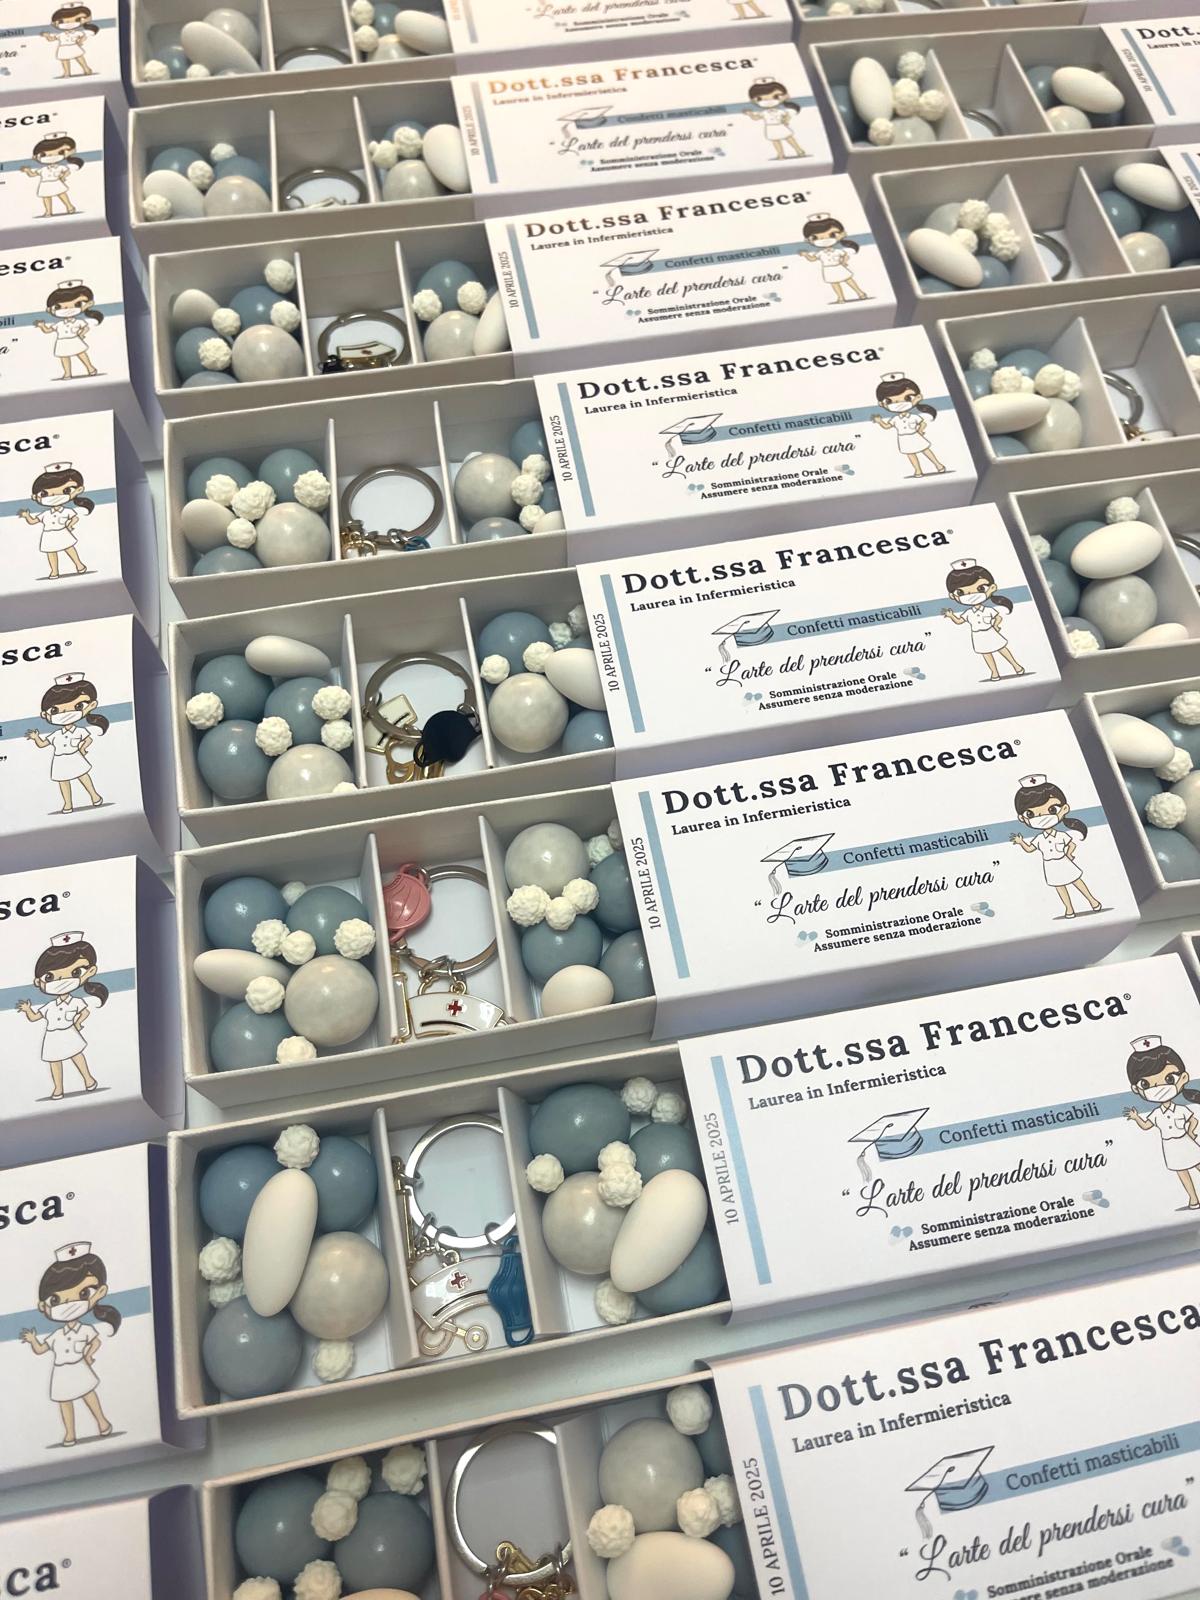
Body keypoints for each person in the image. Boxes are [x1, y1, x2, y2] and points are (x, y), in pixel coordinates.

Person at [20, 1242, 120, 1447]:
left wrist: (89, 1355)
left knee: (88, 1394)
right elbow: (41, 1350)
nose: (69, 1305)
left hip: (78, 1367)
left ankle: (102, 1422)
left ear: (100, 1292)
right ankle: (70, 1434)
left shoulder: (84, 1330)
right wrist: (32, 1340)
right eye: (55, 1300)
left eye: (83, 1293)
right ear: (43, 1306)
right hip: (61, 1372)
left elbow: (96, 1341)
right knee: (64, 1401)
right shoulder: (56, 1335)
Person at [17, 930, 107, 1099]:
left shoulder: (75, 1002)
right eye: (50, 976)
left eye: (75, 972)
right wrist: (28, 1010)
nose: (62, 981)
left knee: (76, 1055)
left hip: (68, 1032)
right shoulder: (50, 1006)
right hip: (52, 1036)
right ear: (38, 981)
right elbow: (35, 1018)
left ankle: (88, 1079)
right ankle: (58, 1088)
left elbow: (85, 1012)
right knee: (54, 1061)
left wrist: (78, 1023)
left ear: (90, 971)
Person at [1009, 772, 1102, 918]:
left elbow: (1071, 845)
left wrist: (1069, 854)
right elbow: (1030, 849)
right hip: (1050, 865)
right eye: (1031, 814)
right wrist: (1021, 842)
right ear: (1022, 818)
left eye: (1052, 810)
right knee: (1059, 886)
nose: (1042, 817)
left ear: (1064, 809)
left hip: (1063, 861)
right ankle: (1069, 908)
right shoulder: (1039, 839)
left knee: (1077, 881)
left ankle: (1092, 900)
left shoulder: (1061, 835)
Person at [1124, 1034, 1200, 1210]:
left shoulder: (1180, 1109)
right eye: (1146, 1084)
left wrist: (1191, 1131)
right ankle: (1193, 1199)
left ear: (1183, 1078)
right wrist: (1136, 1118)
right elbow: (1146, 1126)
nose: (1159, 1088)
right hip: (1170, 1146)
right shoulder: (1156, 1113)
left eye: (1169, 1079)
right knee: (1181, 1172)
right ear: (1136, 1088)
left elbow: (1193, 1120)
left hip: (1185, 1141)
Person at [24, 670, 108, 813]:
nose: (66, 713)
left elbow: (88, 739)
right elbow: (43, 744)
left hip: (75, 756)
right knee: (63, 781)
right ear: (44, 714)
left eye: (78, 706)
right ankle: (68, 804)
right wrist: (36, 737)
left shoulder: (79, 731)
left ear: (92, 705)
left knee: (83, 776)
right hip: (59, 760)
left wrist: (82, 749)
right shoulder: (56, 734)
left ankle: (94, 796)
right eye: (55, 710)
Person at [940, 558, 1025, 680]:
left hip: (990, 632)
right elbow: (959, 621)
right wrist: (951, 616)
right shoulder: (968, 613)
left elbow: (998, 617)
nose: (972, 595)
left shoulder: (988, 610)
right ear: (953, 596)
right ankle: (994, 672)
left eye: (980, 589)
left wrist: (996, 625)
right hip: (978, 635)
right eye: (961, 592)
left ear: (992, 588)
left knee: (1002, 648)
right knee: (986, 653)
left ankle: (1016, 665)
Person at [19, 461, 94, 578]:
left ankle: (79, 565)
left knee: (69, 548)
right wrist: (27, 516)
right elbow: (33, 521)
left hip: (62, 532)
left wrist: (70, 525)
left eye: (66, 490)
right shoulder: (45, 514)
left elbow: (75, 518)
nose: (56, 496)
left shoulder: (66, 511)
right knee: (51, 552)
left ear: (78, 490)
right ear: (35, 497)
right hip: (48, 535)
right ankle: (54, 571)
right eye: (45, 493)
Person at [871, 371, 947, 478]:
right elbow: (887, 427)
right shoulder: (895, 419)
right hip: (903, 438)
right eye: (889, 401)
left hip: (915, 435)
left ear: (918, 397)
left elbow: (922, 423)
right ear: (881, 404)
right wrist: (880, 421)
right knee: (910, 454)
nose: (899, 403)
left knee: (925, 450)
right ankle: (918, 470)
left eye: (907, 398)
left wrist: (920, 430)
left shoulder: (913, 417)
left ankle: (938, 465)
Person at [34, 279, 103, 379]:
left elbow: (86, 328)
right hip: (62, 342)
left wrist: (81, 334)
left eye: (77, 304)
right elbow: (48, 331)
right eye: (58, 306)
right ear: (49, 310)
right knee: (64, 357)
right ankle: (67, 373)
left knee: (81, 353)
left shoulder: (78, 322)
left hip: (74, 339)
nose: (68, 309)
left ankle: (90, 368)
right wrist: (42, 326)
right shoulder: (59, 324)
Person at [800, 214, 867, 304]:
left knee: (848, 280)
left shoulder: (837, 251)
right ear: (808, 240)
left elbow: (845, 255)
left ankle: (860, 293)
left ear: (842, 234)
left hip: (838, 267)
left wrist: (844, 262)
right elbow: (812, 259)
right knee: (834, 283)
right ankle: (841, 298)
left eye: (832, 235)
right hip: (828, 269)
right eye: (815, 237)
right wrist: (806, 255)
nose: (824, 239)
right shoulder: (820, 253)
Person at [21, 131, 84, 216]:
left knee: (61, 194)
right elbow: (32, 175)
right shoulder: (43, 169)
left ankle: (69, 206)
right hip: (45, 184)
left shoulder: (60, 167)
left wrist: (63, 177)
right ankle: (48, 211)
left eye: (60, 152)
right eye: (44, 154)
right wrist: (27, 171)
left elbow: (67, 171)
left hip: (56, 182)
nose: (51, 156)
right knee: (46, 197)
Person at [745, 77, 807, 160]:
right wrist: (750, 114)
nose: (768, 101)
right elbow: (756, 118)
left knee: (789, 138)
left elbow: (786, 116)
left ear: (786, 96)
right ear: (753, 101)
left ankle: (799, 150)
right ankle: (781, 154)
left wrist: (786, 120)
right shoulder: (764, 112)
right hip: (771, 128)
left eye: (776, 96)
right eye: (759, 99)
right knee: (775, 141)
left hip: (780, 126)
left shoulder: (780, 111)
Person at [41, 3, 98, 76]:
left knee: (79, 57)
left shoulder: (77, 33)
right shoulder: (61, 34)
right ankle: (67, 72)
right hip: (63, 48)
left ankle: (86, 68)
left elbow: (83, 36)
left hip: (73, 46)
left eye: (77, 20)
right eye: (62, 21)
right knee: (64, 60)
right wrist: (47, 36)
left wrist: (80, 42)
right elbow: (51, 39)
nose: (69, 23)